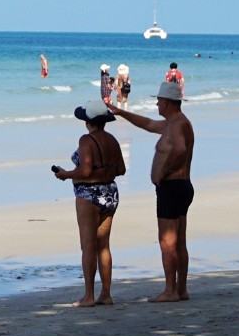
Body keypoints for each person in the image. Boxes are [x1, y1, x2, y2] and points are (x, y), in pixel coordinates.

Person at [109, 80, 197, 302]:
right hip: (181, 186)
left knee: (167, 241)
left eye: (158, 101)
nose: (157, 104)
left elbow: (179, 149)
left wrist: (162, 172)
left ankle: (170, 291)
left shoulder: (176, 125)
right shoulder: (173, 123)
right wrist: (121, 112)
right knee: (179, 241)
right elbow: (147, 123)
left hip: (173, 186)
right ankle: (181, 290)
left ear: (167, 102)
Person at [53, 103, 126, 306]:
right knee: (103, 245)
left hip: (89, 194)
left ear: (88, 122)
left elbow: (84, 172)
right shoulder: (112, 140)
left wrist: (66, 174)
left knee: (88, 246)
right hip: (110, 193)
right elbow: (121, 169)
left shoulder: (86, 140)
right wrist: (103, 170)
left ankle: (88, 296)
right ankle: (106, 294)